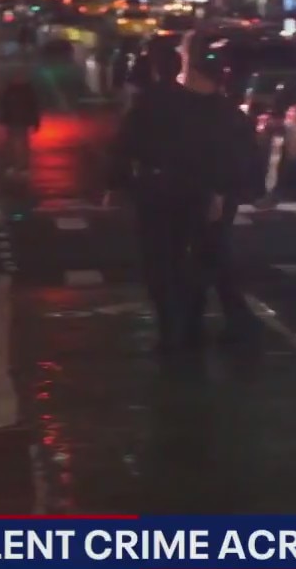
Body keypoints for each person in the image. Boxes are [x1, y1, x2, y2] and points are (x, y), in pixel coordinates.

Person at [110, 48, 205, 354]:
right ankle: (191, 325)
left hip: (154, 186)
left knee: (157, 259)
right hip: (189, 185)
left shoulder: (144, 104)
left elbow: (125, 144)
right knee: (184, 255)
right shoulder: (193, 103)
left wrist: (118, 183)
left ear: (155, 70)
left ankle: (168, 327)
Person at [179, 50, 262, 345]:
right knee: (210, 253)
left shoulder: (215, 114)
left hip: (214, 193)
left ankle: (219, 320)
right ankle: (218, 318)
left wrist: (218, 192)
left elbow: (228, 157)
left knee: (210, 253)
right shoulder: (225, 112)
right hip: (216, 192)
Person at [0, 69, 41, 182]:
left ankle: (17, 167)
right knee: (19, 144)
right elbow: (34, 107)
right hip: (19, 121)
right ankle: (20, 167)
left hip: (16, 121)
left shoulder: (10, 90)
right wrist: (35, 122)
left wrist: (2, 119)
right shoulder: (26, 91)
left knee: (16, 144)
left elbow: (3, 105)